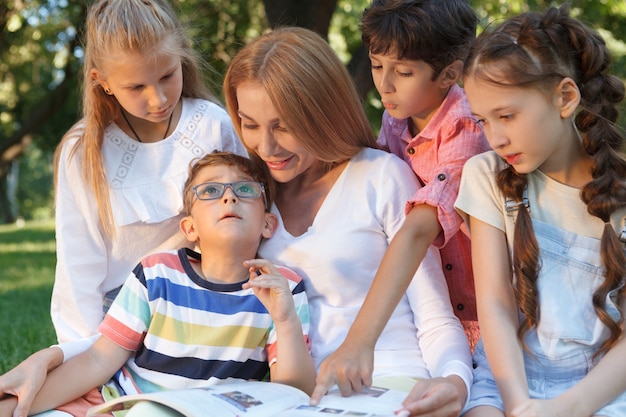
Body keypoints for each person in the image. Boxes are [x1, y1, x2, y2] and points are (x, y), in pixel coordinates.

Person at [223, 26, 472, 417]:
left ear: (323, 112)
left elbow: (436, 319)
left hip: (388, 385)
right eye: (250, 124)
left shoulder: (380, 176)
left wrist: (454, 382)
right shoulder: (246, 195)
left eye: (283, 125)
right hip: (289, 396)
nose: (266, 147)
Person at [0, 152, 314, 417]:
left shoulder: (281, 288)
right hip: (118, 404)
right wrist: (18, 407)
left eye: (245, 190)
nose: (229, 196)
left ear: (268, 224)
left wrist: (285, 319)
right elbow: (98, 359)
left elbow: (293, 390)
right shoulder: (157, 274)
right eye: (210, 191)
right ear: (190, 228)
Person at [314, 0, 488, 405]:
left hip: (483, 310)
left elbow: (416, 230)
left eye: (403, 72)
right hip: (434, 308)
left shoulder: (466, 128)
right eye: (377, 65)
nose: (385, 84)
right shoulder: (398, 115)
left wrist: (360, 341)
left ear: (450, 73)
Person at [455, 5, 626, 417]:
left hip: (602, 387)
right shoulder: (486, 175)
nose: (494, 137)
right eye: (482, 121)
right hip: (506, 375)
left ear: (565, 97)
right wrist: (518, 405)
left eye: (507, 116)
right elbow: (494, 304)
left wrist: (569, 407)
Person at [52, 0, 246, 346]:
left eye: (167, 76)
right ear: (104, 82)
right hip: (122, 313)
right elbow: (78, 263)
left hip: (210, 302)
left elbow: (250, 215)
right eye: (136, 87)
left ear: (182, 57)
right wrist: (80, 350)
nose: (158, 99)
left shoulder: (213, 126)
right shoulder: (85, 152)